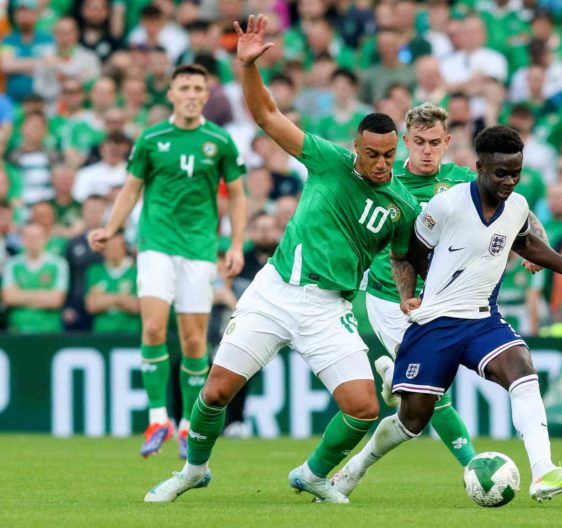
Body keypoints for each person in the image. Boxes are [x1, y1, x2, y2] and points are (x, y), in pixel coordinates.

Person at [144, 14, 419, 504]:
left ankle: (312, 475)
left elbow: (402, 257)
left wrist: (406, 297)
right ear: (356, 147)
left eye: (389, 155)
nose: (382, 164)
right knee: (214, 394)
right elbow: (267, 116)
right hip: (275, 293)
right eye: (373, 154)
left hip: (329, 309)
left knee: (362, 408)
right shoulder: (327, 159)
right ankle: (193, 470)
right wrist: (248, 67)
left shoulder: (403, 206)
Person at [331, 126, 562, 503]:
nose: (509, 181)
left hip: (482, 319)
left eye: (516, 173)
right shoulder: (448, 204)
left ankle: (543, 472)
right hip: (436, 323)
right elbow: (407, 253)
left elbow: (524, 241)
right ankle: (354, 469)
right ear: (479, 167)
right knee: (412, 421)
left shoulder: (518, 206)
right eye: (500, 173)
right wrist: (413, 295)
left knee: (523, 372)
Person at [88, 64, 248, 459]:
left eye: (199, 88)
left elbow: (239, 196)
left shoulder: (220, 141)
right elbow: (131, 188)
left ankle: (186, 425)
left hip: (198, 250)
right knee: (154, 328)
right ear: (172, 94)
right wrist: (111, 229)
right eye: (185, 88)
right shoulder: (151, 138)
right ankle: (157, 417)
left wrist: (237, 243)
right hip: (156, 244)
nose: (192, 94)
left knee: (195, 341)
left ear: (206, 95)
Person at [364, 102, 477, 467]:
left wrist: (530, 249)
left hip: (441, 300)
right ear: (405, 143)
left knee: (423, 395)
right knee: (436, 393)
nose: (426, 150)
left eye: (433, 142)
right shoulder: (383, 179)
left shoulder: (461, 182)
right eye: (418, 142)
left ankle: (394, 374)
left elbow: (515, 210)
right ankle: (475, 468)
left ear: (446, 142)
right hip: (389, 297)